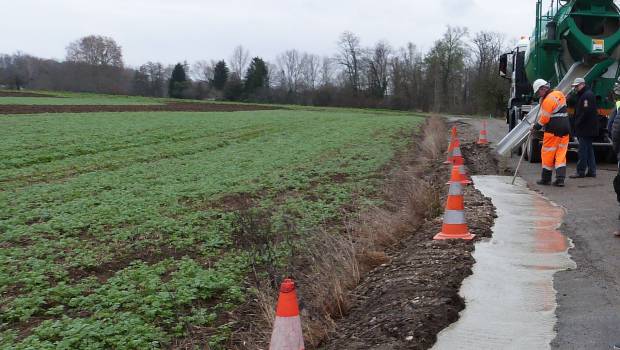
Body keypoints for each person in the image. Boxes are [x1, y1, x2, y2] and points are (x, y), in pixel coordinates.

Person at [531, 79, 571, 186]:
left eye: (538, 92)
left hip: (553, 130)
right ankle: (560, 179)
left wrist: (535, 127)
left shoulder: (547, 100)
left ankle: (546, 179)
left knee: (547, 153)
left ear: (543, 89)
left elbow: (545, 119)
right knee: (561, 154)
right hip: (565, 129)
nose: (538, 94)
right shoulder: (559, 94)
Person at [569, 77, 599, 178]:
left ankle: (580, 171)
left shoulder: (586, 96)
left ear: (582, 84)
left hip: (585, 128)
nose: (576, 88)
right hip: (588, 128)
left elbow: (585, 112)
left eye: (577, 86)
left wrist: (577, 123)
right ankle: (592, 171)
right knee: (589, 150)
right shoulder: (586, 94)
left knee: (582, 150)